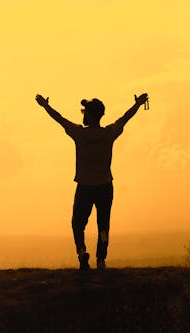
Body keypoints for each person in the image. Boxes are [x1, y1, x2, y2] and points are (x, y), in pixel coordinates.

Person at [35, 93, 149, 270]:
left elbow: (60, 119)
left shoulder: (79, 134)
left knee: (77, 223)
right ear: (101, 115)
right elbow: (125, 118)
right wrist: (138, 104)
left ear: (88, 115)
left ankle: (81, 252)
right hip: (105, 186)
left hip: (85, 187)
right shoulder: (108, 133)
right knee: (103, 226)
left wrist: (45, 106)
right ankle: (101, 259)